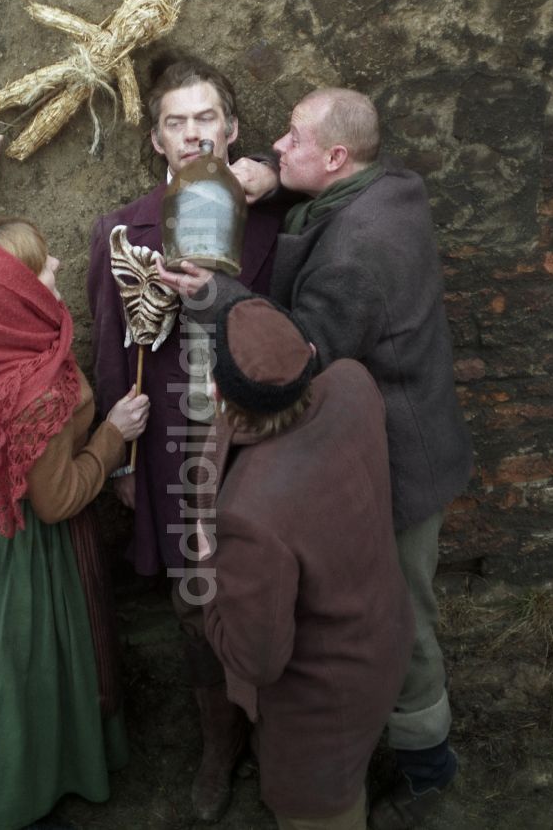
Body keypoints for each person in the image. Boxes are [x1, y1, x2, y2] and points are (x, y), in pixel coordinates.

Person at [158, 88, 475, 830]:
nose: (277, 145)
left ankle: (428, 761)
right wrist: (272, 169)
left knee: (402, 611)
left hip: (395, 459)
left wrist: (216, 295)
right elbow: (311, 155)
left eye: (292, 141)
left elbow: (292, 357)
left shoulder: (359, 256)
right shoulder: (389, 185)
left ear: (335, 159)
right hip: (382, 437)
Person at [0, 131, 150, 830]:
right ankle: (20, 792)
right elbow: (55, 500)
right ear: (14, 296)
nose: (54, 265)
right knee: (30, 662)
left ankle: (3, 778)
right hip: (28, 543)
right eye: (40, 271)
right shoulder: (37, 387)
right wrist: (114, 434)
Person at [86, 56, 281, 821]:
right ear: (157, 139)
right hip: (171, 448)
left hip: (263, 443)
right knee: (193, 601)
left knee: (266, 588)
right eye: (177, 121)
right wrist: (123, 461)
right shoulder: (121, 231)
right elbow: (110, 351)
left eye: (207, 119)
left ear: (232, 132)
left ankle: (274, 735)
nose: (193, 132)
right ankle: (216, 746)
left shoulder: (277, 220)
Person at [199, 295, 414, 830]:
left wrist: (208, 571)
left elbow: (257, 660)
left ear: (217, 392)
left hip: (322, 713)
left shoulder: (252, 515)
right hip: (384, 639)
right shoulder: (352, 383)